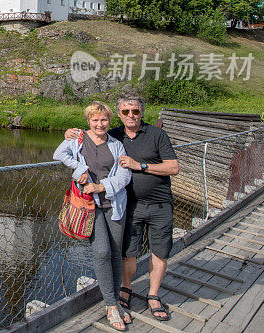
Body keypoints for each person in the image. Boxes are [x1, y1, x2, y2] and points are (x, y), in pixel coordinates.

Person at [65, 93, 179, 322]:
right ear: (119, 114)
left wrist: (140, 166)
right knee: (126, 253)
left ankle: (153, 295)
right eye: (125, 112)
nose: (130, 116)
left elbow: (173, 167)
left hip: (159, 203)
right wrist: (69, 134)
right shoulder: (113, 135)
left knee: (159, 251)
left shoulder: (157, 134)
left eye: (135, 111)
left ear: (142, 112)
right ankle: (123, 292)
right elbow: (88, 135)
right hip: (128, 205)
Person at [54, 101, 132, 331]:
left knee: (116, 253)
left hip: (114, 204)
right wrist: (80, 170)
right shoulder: (78, 138)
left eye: (104, 119)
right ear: (88, 121)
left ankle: (115, 300)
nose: (100, 123)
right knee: (101, 251)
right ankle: (110, 305)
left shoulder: (116, 145)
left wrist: (101, 187)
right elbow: (59, 153)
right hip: (89, 206)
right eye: (95, 119)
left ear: (109, 121)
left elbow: (124, 176)